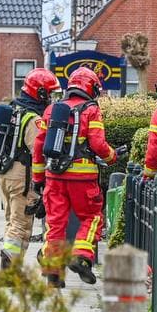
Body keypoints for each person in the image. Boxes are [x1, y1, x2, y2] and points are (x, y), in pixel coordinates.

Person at [31, 66, 123, 288]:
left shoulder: (52, 110)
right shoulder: (91, 110)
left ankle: (53, 272)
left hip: (54, 177)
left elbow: (39, 146)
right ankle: (81, 257)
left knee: (55, 224)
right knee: (92, 217)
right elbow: (98, 145)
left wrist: (38, 179)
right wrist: (112, 157)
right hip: (83, 179)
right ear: (91, 88)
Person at [0, 67, 59, 272]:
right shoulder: (33, 119)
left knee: (11, 222)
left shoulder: (13, 110)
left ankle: (13, 269)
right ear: (39, 92)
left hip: (3, 174)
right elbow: (38, 150)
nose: (50, 98)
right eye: (49, 93)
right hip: (22, 177)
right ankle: (10, 267)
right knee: (22, 224)